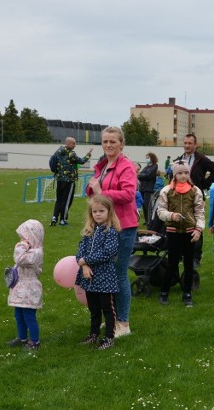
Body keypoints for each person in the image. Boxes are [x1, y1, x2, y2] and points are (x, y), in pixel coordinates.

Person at [87, 126, 138, 337]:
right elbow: (94, 190)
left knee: (118, 274)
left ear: (121, 144)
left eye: (112, 142)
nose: (108, 145)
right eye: (105, 141)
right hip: (105, 226)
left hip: (124, 226)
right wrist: (92, 189)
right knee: (105, 273)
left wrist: (101, 192)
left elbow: (128, 194)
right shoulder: (103, 165)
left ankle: (123, 323)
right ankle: (111, 318)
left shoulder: (126, 166)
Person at [156, 161, 205, 306]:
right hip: (173, 232)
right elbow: (160, 211)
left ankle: (187, 293)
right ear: (174, 174)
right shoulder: (166, 191)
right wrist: (171, 216)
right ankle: (164, 292)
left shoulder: (195, 191)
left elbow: (200, 212)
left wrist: (198, 230)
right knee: (172, 264)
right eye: (180, 173)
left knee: (189, 265)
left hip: (190, 233)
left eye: (186, 173)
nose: (183, 176)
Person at [75, 195, 121, 350]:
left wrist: (85, 261)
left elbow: (107, 253)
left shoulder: (111, 231)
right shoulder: (89, 231)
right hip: (89, 278)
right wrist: (84, 265)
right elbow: (80, 251)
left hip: (104, 277)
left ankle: (109, 337)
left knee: (107, 308)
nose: (98, 214)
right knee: (93, 308)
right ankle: (93, 334)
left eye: (101, 211)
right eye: (95, 211)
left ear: (109, 211)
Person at [175, 134, 214, 268]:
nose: (187, 145)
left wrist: (203, 184)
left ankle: (196, 257)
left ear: (195, 145)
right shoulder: (179, 160)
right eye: (185, 143)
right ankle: (182, 254)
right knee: (181, 225)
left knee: (196, 226)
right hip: (179, 198)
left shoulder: (201, 160)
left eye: (190, 143)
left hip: (196, 198)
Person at [6, 219, 44, 350]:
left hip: (29, 289)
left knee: (29, 316)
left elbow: (19, 259)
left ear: (32, 237)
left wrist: (21, 246)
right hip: (20, 287)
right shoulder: (29, 250)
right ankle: (21, 337)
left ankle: (35, 341)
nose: (21, 240)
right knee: (19, 314)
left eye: (24, 237)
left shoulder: (36, 252)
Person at [51, 137, 93, 226]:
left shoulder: (58, 151)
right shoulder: (71, 154)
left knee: (59, 200)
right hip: (69, 180)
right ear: (68, 144)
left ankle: (54, 218)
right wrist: (89, 153)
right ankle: (63, 220)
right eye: (73, 143)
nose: (75, 145)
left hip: (59, 179)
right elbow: (82, 161)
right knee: (67, 201)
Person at [137, 152, 159, 225]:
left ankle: (150, 220)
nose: (146, 159)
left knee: (147, 205)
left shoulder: (155, 166)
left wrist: (140, 175)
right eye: (146, 158)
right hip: (142, 188)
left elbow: (148, 175)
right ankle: (147, 221)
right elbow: (142, 175)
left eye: (148, 157)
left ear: (152, 158)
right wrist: (141, 175)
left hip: (148, 188)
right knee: (143, 205)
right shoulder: (146, 167)